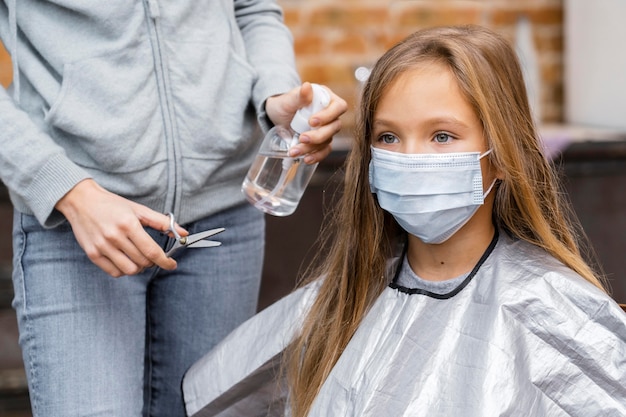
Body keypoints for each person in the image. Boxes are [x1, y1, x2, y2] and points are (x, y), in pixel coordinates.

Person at [183, 25, 626, 416]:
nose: (411, 159)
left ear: (504, 155)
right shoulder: (341, 300)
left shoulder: (552, 308)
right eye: (388, 137)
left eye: (442, 136)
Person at [0, 1, 347, 416]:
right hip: (80, 227)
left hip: (222, 223)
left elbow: (252, 9)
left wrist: (274, 93)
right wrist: (69, 191)